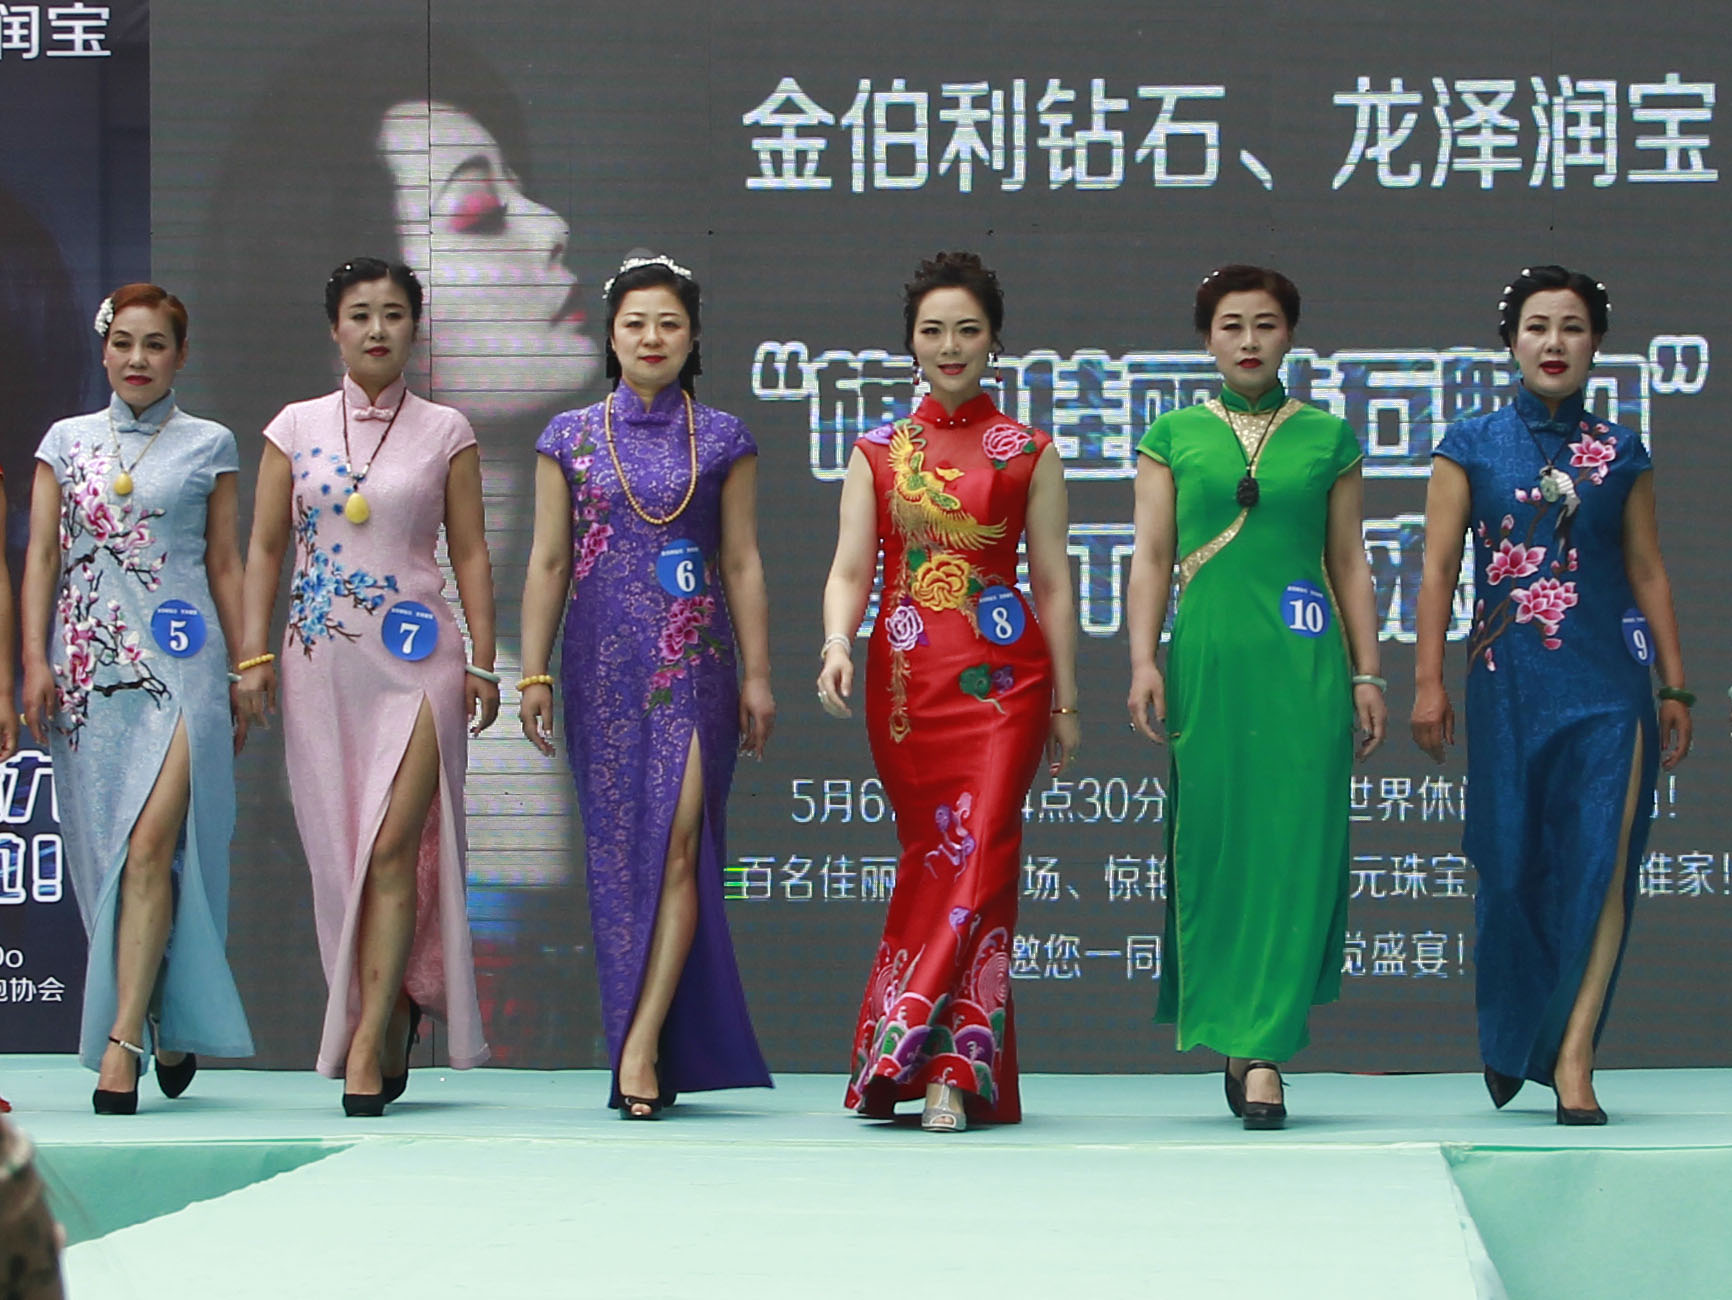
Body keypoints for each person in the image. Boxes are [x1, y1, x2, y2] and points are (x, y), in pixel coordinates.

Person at [1411, 265, 1691, 1125]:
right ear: (1511, 342)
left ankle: (1575, 1056)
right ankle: (1515, 1038)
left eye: (1572, 327)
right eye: (1538, 326)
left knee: (1602, 863)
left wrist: (1674, 685)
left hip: (1609, 684)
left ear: (1596, 343)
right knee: (1509, 868)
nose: (1555, 343)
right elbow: (1437, 569)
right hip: (1508, 686)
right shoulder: (1469, 443)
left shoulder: (1623, 449)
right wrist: (1427, 681)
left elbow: (1646, 568)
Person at [818, 250, 1079, 1132]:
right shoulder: (880, 451)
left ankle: (946, 1071)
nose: (951, 345)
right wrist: (836, 643)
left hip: (1007, 682)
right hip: (908, 680)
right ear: (912, 344)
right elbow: (851, 568)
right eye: (933, 331)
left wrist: (1067, 701)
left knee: (985, 850)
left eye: (968, 329)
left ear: (994, 339)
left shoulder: (1029, 451)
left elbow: (1054, 582)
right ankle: (925, 1058)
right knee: (935, 857)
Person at [1125, 265, 1384, 1130]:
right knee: (1222, 845)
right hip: (1210, 660)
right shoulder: (1173, 436)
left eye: (1265, 324)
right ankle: (1238, 1032)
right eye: (1231, 325)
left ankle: (1265, 1046)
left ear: (1290, 335)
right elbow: (1151, 557)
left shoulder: (1328, 437)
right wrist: (1143, 659)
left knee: (1294, 848)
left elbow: (1348, 562)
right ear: (1207, 339)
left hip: (1306, 665)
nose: (1248, 340)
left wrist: (1368, 672)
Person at [238, 258, 498, 1115]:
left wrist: (484, 659)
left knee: (394, 848)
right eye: (360, 314)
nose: (377, 329)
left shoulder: (447, 429)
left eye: (393, 313)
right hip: (322, 666)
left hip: (421, 664)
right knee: (340, 857)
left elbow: (470, 552)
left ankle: (365, 1038)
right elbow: (265, 548)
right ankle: (386, 1013)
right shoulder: (294, 427)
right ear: (335, 328)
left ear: (415, 327)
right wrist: (252, 656)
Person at [520, 253, 773, 1118]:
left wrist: (759, 675)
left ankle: (637, 1047)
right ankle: (641, 1036)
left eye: (669, 323)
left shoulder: (724, 437)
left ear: (693, 337)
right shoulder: (568, 437)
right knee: (621, 854)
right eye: (636, 323)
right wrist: (533, 670)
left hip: (693, 663)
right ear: (612, 335)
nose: (652, 337)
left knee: (681, 842)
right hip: (599, 667)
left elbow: (741, 561)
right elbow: (548, 561)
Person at [20, 283, 251, 1114]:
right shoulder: (65, 441)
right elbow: (41, 558)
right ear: (104, 348)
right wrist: (33, 661)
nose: (137, 358)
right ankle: (163, 1008)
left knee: (154, 846)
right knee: (109, 860)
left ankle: (120, 1047)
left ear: (181, 355)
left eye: (155, 344)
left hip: (184, 669)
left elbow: (225, 562)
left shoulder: (210, 443)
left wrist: (250, 663)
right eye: (123, 342)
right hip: (88, 674)